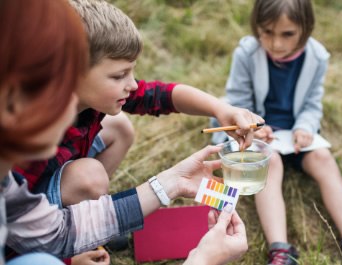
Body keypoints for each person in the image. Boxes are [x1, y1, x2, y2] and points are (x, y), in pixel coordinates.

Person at [0, 0, 247, 265]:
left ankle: (98, 223)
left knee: (118, 127)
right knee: (88, 178)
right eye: (119, 76)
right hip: (38, 207)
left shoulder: (12, 174)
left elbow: (44, 230)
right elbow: (24, 237)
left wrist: (219, 110)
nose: (132, 85)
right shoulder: (21, 162)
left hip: (40, 213)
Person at [210, 0, 342, 264]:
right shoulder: (246, 53)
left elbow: (312, 104)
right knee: (269, 162)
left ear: (305, 28)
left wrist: (305, 127)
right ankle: (281, 251)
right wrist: (255, 126)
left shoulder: (317, 57)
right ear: (257, 26)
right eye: (267, 32)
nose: (276, 43)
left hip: (295, 135)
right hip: (257, 134)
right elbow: (237, 101)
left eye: (287, 34)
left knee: (323, 159)